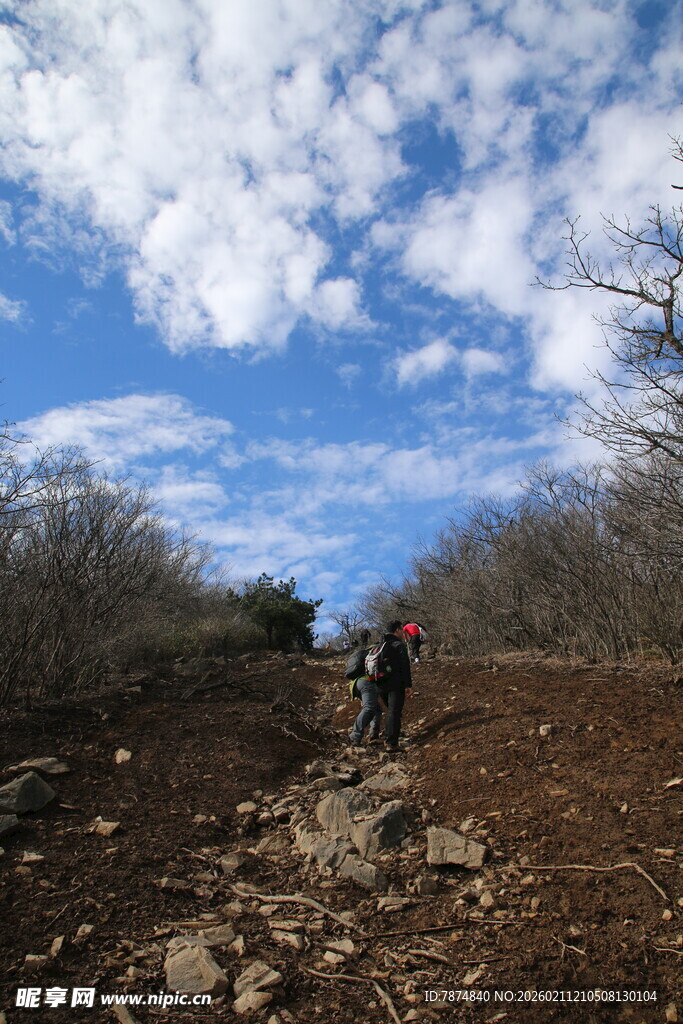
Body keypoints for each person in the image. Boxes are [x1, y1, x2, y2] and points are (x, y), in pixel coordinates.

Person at [377, 619, 413, 752]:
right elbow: (405, 666)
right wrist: (408, 685)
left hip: (380, 683)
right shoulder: (398, 645)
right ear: (397, 630)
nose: (403, 632)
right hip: (395, 683)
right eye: (402, 629)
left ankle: (390, 734)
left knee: (391, 710)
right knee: (394, 711)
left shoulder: (380, 645)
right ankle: (391, 743)